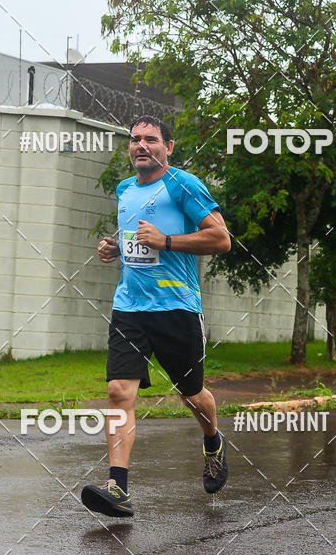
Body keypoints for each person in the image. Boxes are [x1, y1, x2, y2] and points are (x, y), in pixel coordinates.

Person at [81, 115, 231, 517]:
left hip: (177, 307)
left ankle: (213, 440)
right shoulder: (125, 188)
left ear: (169, 147)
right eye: (135, 139)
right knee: (118, 392)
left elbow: (221, 238)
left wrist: (165, 241)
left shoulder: (184, 185)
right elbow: (136, 240)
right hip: (130, 307)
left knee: (192, 395)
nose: (141, 145)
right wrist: (115, 248)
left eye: (150, 139)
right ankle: (118, 487)